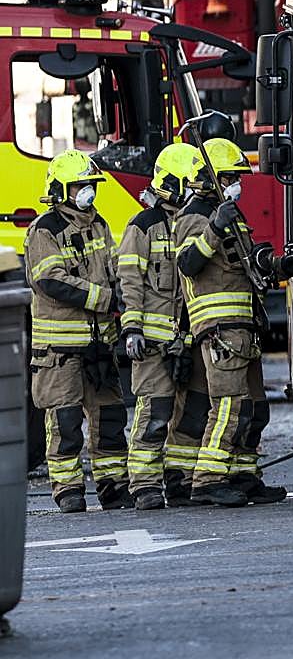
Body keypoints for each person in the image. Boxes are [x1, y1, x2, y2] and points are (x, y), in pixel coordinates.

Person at [174, 138, 293, 507]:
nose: (237, 185)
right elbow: (188, 263)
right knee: (227, 404)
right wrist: (213, 227)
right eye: (231, 178)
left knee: (254, 407)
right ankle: (207, 480)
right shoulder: (194, 217)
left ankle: (243, 474)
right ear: (212, 179)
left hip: (245, 325)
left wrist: (276, 265)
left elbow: (245, 261)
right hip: (220, 329)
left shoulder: (229, 214)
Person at [25, 150, 131, 513]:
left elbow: (113, 267)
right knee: (65, 421)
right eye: (80, 185)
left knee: (111, 419)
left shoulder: (98, 224)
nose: (88, 191)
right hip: (61, 350)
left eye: (90, 184)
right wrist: (105, 298)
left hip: (99, 346)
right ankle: (68, 490)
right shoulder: (45, 230)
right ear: (61, 190)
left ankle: (113, 485)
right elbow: (50, 281)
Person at [117, 142, 204, 510]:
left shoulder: (193, 222)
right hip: (153, 343)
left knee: (191, 415)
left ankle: (180, 480)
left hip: (188, 339)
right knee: (154, 415)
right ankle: (145, 486)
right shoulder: (143, 226)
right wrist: (132, 329)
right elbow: (130, 281)